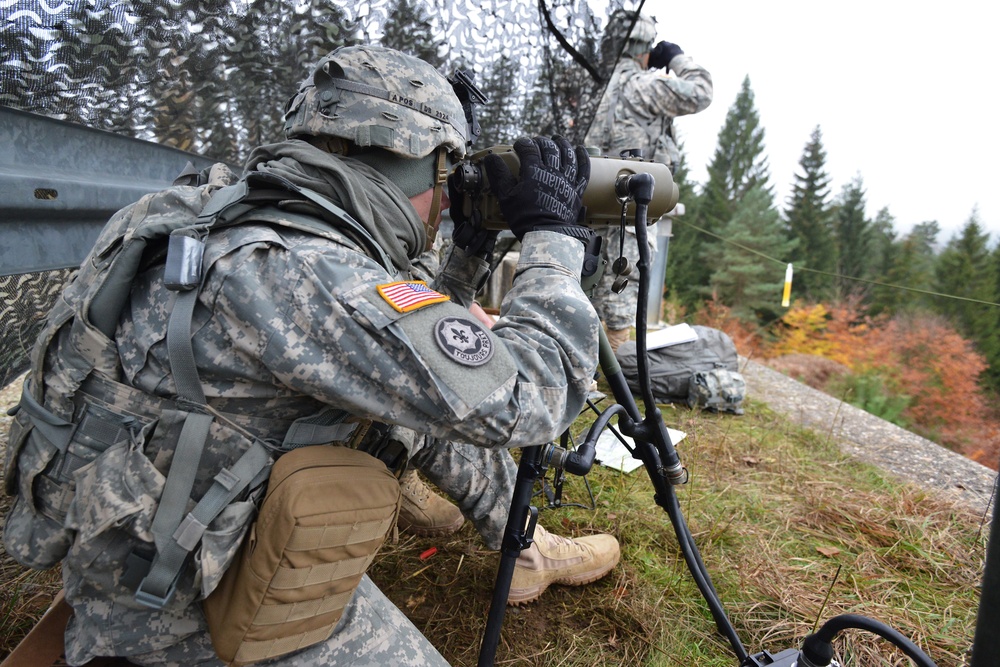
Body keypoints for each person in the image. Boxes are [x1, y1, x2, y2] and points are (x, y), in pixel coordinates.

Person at [11, 45, 620, 666]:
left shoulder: (213, 214)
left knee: (427, 405)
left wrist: (465, 257)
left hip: (137, 528)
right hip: (177, 607)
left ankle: (523, 549)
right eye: (446, 173)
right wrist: (554, 238)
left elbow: (406, 347)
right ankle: (523, 546)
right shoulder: (302, 269)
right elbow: (529, 396)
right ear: (420, 164)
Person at [584, 10, 713, 351]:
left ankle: (584, 366)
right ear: (643, 46)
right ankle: (614, 367)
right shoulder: (644, 86)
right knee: (625, 283)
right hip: (631, 208)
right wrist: (675, 57)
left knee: (587, 280)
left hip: (587, 205)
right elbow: (701, 91)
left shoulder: (593, 89)